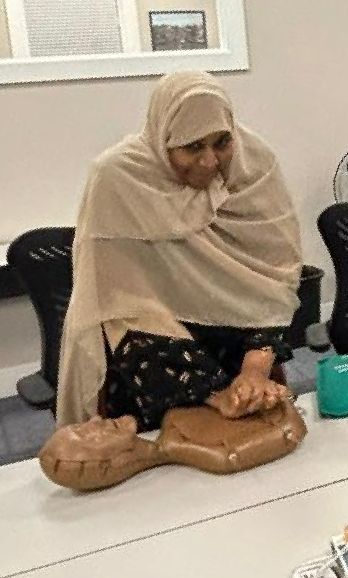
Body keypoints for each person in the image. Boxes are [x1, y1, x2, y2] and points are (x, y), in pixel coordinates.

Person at [56, 71, 302, 432]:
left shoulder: (255, 167)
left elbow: (274, 283)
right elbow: (113, 302)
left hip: (241, 341)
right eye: (192, 147)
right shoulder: (118, 179)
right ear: (162, 138)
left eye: (221, 142)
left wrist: (254, 369)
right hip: (158, 359)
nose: (210, 162)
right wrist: (214, 392)